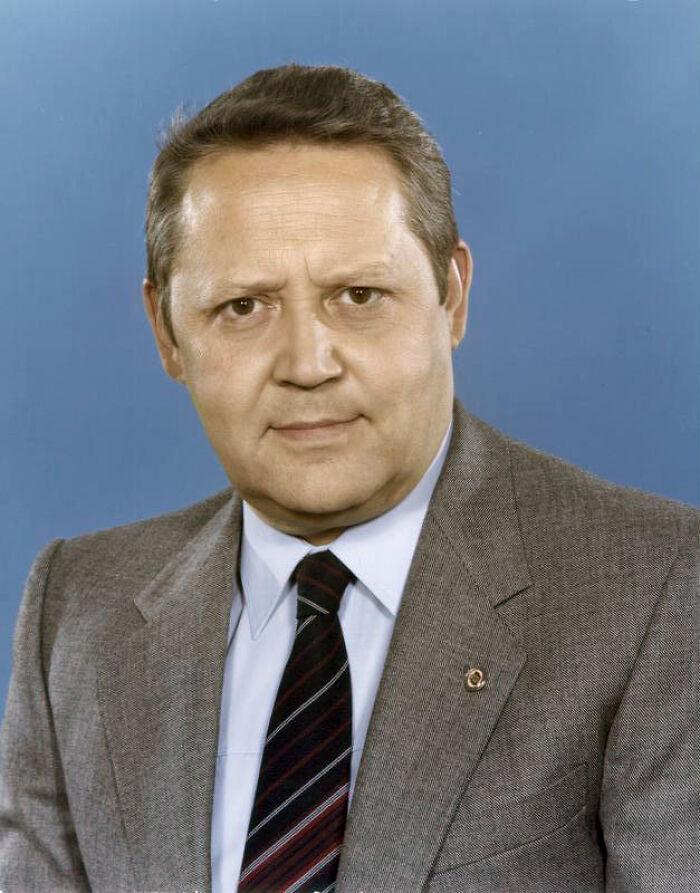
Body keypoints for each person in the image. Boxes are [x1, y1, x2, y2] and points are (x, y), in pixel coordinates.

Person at [0, 63, 697, 893]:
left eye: (358, 295)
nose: (307, 363)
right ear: (167, 333)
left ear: (452, 296)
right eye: (244, 307)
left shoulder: (657, 590)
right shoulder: (76, 611)